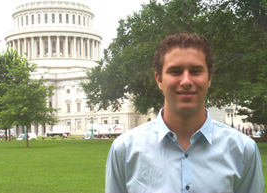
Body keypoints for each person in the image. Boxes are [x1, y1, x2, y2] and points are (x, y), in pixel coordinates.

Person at [105, 33, 264, 193]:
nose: (186, 81)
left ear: (209, 78)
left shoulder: (242, 151)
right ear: (159, 79)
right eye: (175, 71)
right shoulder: (125, 150)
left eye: (196, 71)